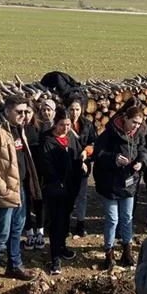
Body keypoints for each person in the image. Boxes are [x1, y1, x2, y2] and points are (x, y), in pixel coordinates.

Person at [0, 95, 40, 288]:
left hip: (20, 187)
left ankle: (15, 265)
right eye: (19, 112)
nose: (23, 115)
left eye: (26, 112)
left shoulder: (19, 129)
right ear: (7, 111)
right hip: (3, 191)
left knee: (17, 230)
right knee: (0, 235)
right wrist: (2, 189)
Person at [94, 105, 147, 270]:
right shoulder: (110, 133)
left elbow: (143, 149)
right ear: (125, 118)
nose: (136, 126)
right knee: (112, 219)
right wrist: (114, 159)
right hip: (110, 183)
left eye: (139, 123)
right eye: (134, 122)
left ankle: (127, 250)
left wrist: (141, 162)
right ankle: (109, 252)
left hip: (129, 182)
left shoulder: (138, 134)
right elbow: (98, 153)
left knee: (127, 217)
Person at [41, 109, 84, 275]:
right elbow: (46, 166)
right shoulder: (47, 141)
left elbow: (77, 155)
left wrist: (82, 162)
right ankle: (55, 257)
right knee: (55, 223)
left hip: (71, 187)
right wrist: (58, 181)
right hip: (55, 189)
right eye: (61, 125)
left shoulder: (71, 137)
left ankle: (63, 246)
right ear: (55, 123)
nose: (65, 128)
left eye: (68, 125)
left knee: (66, 219)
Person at [66, 94, 96, 237]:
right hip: (67, 165)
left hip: (83, 164)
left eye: (77, 109)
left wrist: (86, 151)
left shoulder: (88, 125)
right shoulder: (63, 123)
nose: (74, 112)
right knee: (67, 195)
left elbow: (94, 143)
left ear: (82, 109)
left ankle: (80, 222)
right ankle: (65, 221)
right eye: (72, 109)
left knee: (82, 195)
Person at [24, 102, 48, 251]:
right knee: (25, 201)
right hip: (23, 171)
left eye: (28, 112)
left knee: (39, 200)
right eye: (22, 112)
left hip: (39, 170)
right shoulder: (17, 129)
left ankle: (40, 231)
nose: (25, 115)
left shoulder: (41, 128)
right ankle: (29, 232)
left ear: (33, 112)